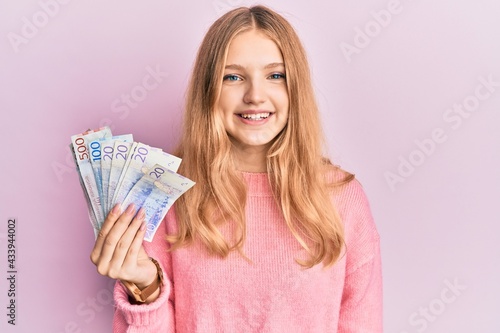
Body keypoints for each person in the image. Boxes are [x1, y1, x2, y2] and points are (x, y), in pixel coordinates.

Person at [90, 5, 382, 332]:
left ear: (295, 87)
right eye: (233, 77)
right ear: (209, 90)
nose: (255, 95)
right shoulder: (166, 196)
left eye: (275, 75)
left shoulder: (344, 199)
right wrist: (145, 288)